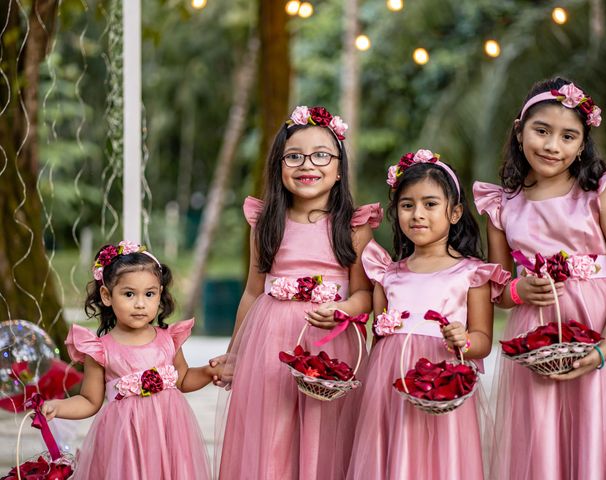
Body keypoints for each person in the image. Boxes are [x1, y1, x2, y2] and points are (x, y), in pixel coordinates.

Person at [474, 77, 606, 479]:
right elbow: (499, 289)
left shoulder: (600, 193)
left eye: (568, 136)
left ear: (582, 144)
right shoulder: (503, 205)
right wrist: (518, 288)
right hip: (538, 337)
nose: (552, 146)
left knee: (596, 435)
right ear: (519, 131)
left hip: (601, 331)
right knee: (542, 437)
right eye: (542, 131)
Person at [213, 106, 381, 479]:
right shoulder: (265, 223)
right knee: (272, 432)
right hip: (270, 344)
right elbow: (252, 292)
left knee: (325, 433)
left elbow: (364, 294)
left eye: (322, 155)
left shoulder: (353, 227)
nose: (308, 164)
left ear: (339, 168)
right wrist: (235, 353)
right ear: (278, 166)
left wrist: (342, 309)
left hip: (329, 342)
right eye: (294, 156)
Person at [347, 149, 509, 479]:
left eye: (430, 204)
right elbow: (378, 338)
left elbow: (482, 341)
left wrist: (463, 339)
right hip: (389, 384)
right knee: (392, 455)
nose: (417, 214)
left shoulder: (472, 274)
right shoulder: (386, 273)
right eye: (407, 205)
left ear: (455, 212)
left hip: (442, 382)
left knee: (440, 460)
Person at [42, 241, 220, 479]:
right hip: (124, 441)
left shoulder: (168, 340)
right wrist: (59, 406)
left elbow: (183, 379)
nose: (140, 303)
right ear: (107, 295)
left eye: (149, 294)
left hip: (169, 436)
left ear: (160, 294)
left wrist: (208, 373)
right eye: (128, 294)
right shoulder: (100, 350)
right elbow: (89, 401)